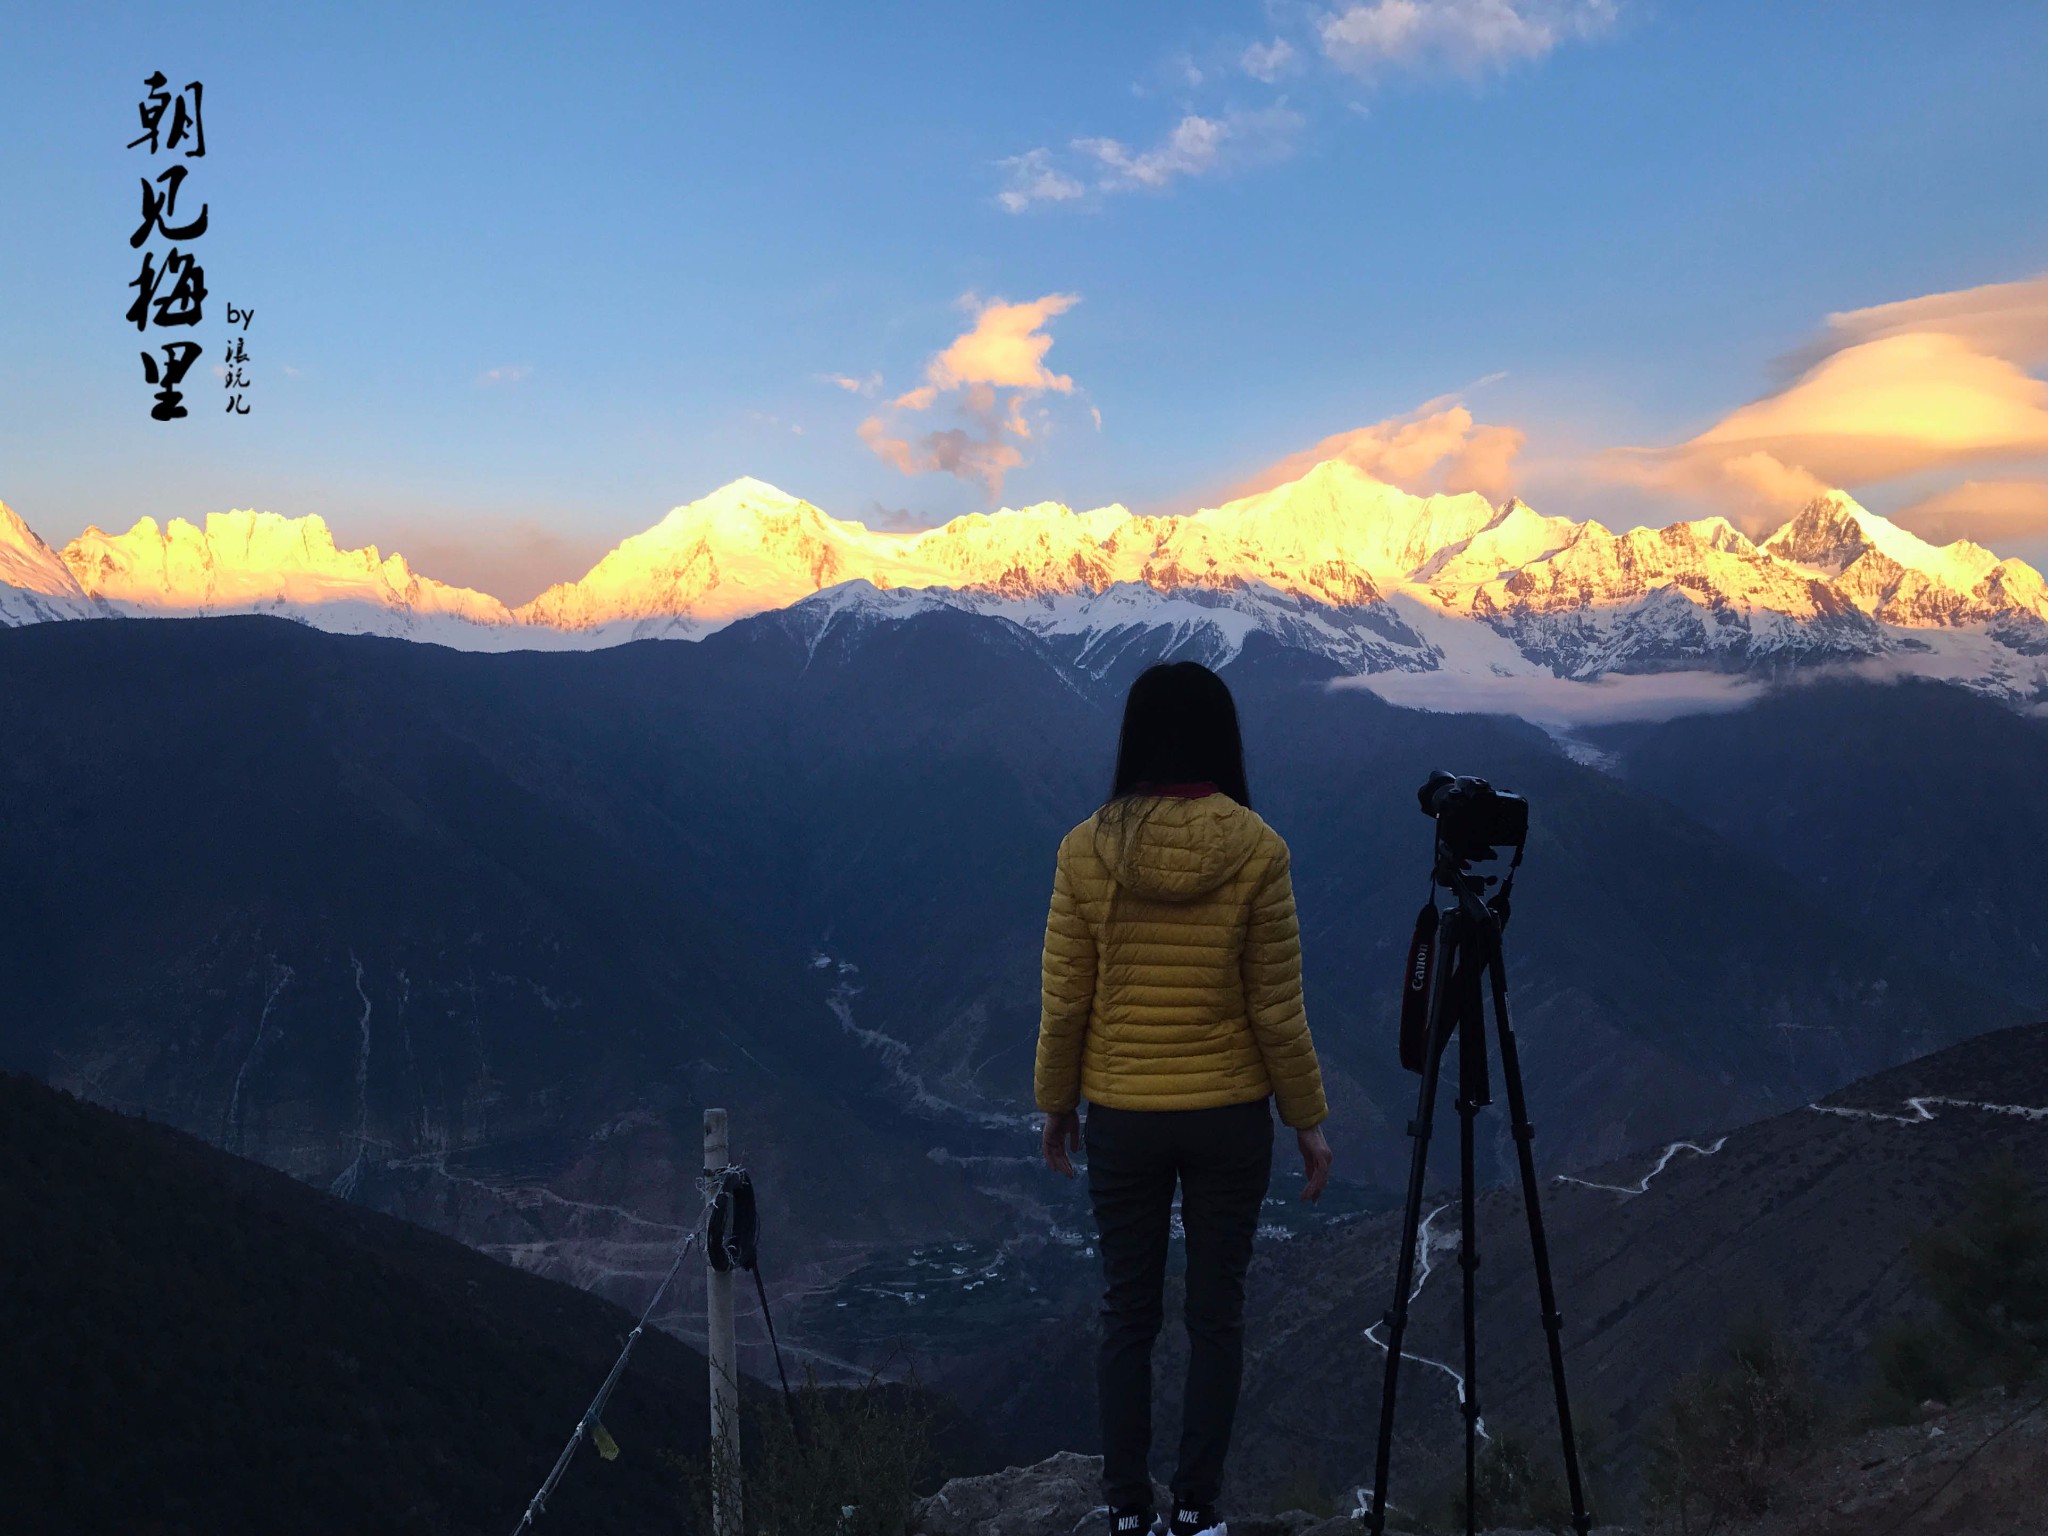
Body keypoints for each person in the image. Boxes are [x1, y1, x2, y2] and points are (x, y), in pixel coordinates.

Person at [1035, 660, 1334, 1536]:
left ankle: (1126, 1508)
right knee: (1216, 1316)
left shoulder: (1085, 847)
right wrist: (1306, 1121)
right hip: (1230, 1116)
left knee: (1127, 1312)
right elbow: (1277, 1007)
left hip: (1123, 1114)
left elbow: (1067, 1000)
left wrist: (1058, 1105)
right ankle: (1198, 1509)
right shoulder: (1259, 848)